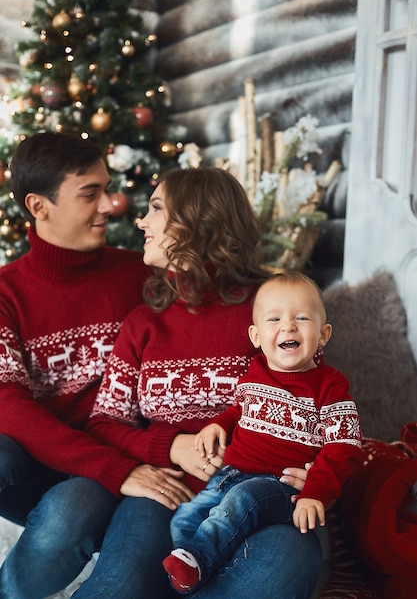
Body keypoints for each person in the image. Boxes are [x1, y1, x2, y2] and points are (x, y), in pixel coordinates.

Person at [73, 168, 326, 599]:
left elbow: (321, 405)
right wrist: (173, 446)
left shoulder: (269, 310)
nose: (140, 221)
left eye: (156, 209)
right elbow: (104, 422)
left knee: (279, 568)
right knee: (115, 587)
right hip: (166, 489)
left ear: (198, 221)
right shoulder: (143, 323)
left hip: (263, 498)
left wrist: (314, 472)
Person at [0, 132, 194, 599]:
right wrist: (111, 470)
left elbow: (219, 300)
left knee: (70, 512)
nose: (111, 205)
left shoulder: (142, 273)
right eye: (90, 193)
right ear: (39, 206)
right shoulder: (6, 292)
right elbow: (7, 403)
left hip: (126, 445)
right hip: (51, 456)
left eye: (107, 188)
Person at [162, 272, 363, 594]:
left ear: (323, 334)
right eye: (274, 319)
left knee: (243, 499)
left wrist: (316, 491)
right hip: (228, 476)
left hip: (279, 486)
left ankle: (200, 558)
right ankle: (201, 570)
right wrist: (219, 424)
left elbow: (345, 446)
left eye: (301, 318)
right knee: (185, 518)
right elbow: (239, 410)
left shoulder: (331, 387)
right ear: (255, 335)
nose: (288, 326)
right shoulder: (255, 371)